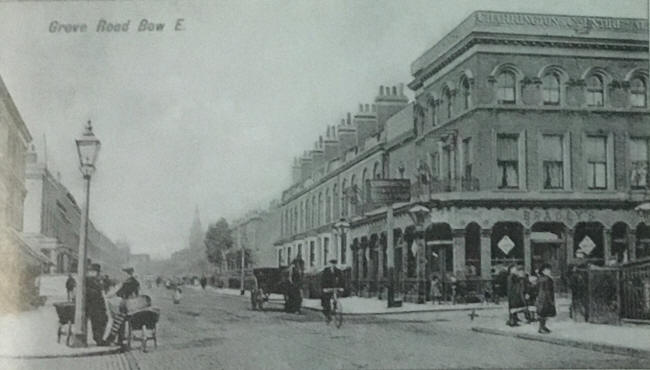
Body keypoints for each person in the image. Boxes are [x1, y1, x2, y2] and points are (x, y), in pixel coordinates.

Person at [105, 267, 140, 345]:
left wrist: (110, 296)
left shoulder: (127, 283)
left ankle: (114, 339)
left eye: (124, 273)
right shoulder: (136, 282)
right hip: (131, 304)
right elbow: (137, 294)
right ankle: (119, 339)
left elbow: (118, 293)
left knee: (118, 320)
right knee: (120, 321)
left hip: (125, 303)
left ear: (127, 274)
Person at [85, 263, 109, 346]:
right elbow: (87, 291)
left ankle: (100, 338)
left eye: (97, 272)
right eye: (95, 272)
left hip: (99, 306)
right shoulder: (87, 280)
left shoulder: (96, 280)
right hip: (93, 306)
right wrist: (96, 293)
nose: (97, 274)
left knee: (104, 320)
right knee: (97, 322)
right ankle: (98, 340)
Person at [320, 258, 343, 323]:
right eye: (332, 263)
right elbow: (322, 280)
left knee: (335, 298)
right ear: (329, 264)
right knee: (326, 301)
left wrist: (341, 287)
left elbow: (341, 280)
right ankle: (327, 315)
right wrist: (324, 288)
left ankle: (335, 308)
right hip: (327, 288)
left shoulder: (338, 271)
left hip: (335, 288)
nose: (333, 265)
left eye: (334, 263)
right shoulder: (326, 270)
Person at [536, 263, 556, 334]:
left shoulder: (541, 278)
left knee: (543, 313)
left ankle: (543, 327)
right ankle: (541, 328)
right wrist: (551, 300)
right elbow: (548, 291)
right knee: (544, 313)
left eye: (549, 270)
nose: (549, 271)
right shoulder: (547, 279)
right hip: (545, 299)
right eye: (547, 270)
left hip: (541, 298)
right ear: (543, 271)